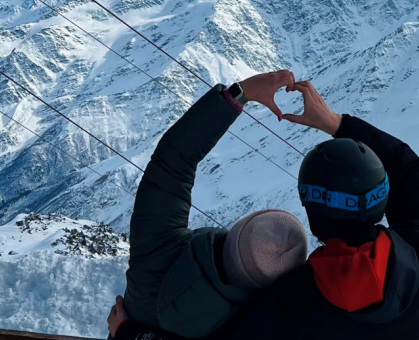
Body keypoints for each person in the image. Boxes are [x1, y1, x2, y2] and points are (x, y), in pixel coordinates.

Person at [111, 79, 419, 340]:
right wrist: (336, 123)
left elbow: (171, 163)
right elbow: (410, 171)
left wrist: (128, 333)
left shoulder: (293, 304)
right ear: (382, 197)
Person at [108, 70, 309, 340]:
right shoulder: (252, 327)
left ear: (236, 230)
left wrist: (241, 93)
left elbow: (174, 159)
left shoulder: (158, 247)